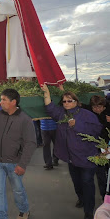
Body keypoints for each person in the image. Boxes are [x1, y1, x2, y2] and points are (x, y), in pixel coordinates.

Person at [41, 84, 102, 219]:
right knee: (77, 183)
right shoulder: (62, 114)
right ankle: (81, 198)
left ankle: (88, 211)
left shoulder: (87, 114)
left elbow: (97, 131)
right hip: (71, 158)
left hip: (87, 158)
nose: (67, 103)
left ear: (76, 102)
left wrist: (77, 125)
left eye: (70, 100)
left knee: (87, 183)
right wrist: (46, 92)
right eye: (64, 101)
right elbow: (50, 108)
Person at [0, 88, 36, 219]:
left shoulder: (25, 119)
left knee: (18, 190)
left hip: (14, 163)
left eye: (4, 100)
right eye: (1, 99)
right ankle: (1, 216)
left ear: (13, 102)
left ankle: (24, 210)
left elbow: (31, 143)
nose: (0, 102)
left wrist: (22, 164)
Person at [80, 95, 110, 200]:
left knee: (108, 172)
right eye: (94, 107)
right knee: (100, 173)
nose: (97, 109)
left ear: (104, 105)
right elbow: (79, 104)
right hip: (97, 147)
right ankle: (104, 196)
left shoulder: (108, 112)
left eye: (99, 107)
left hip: (108, 146)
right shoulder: (90, 111)